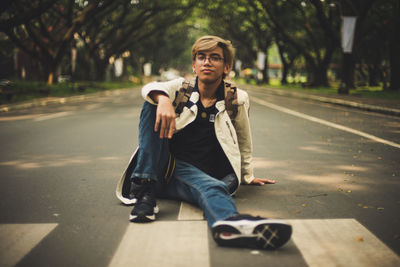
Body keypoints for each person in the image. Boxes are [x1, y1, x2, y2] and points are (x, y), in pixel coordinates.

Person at [124, 35, 292, 250]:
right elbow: (150, 88)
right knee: (152, 101)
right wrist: (163, 100)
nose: (207, 62)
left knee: (213, 186)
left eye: (215, 58)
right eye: (201, 57)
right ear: (194, 65)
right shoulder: (180, 89)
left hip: (205, 172)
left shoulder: (237, 99)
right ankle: (145, 190)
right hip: (167, 166)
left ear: (226, 67)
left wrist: (247, 175)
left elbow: (243, 138)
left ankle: (230, 227)